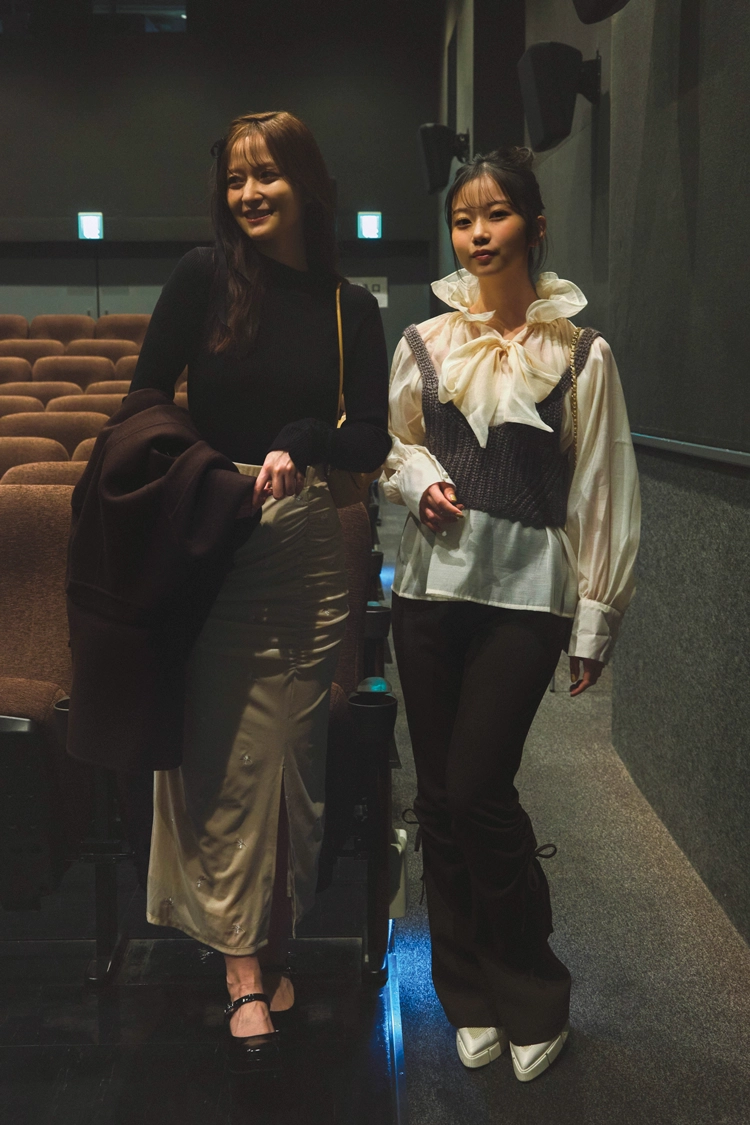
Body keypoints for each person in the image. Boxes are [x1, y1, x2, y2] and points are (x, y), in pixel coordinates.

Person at [128, 110, 391, 1064]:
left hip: (302, 548)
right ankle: (242, 967)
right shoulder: (201, 280)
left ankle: (266, 939)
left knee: (287, 760)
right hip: (210, 535)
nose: (248, 193)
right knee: (216, 755)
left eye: (267, 174)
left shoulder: (348, 305)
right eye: (235, 178)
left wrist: (304, 439)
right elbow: (143, 400)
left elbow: (371, 435)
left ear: (306, 184)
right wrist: (205, 469)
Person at [382, 147, 640, 1082]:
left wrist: (596, 616)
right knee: (438, 799)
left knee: (480, 789)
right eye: (463, 219)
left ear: (534, 225)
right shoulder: (423, 341)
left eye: (494, 214)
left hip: (527, 597)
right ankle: (467, 991)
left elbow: (603, 487)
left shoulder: (581, 353)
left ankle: (531, 985)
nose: (477, 233)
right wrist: (420, 479)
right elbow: (396, 446)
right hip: (427, 594)